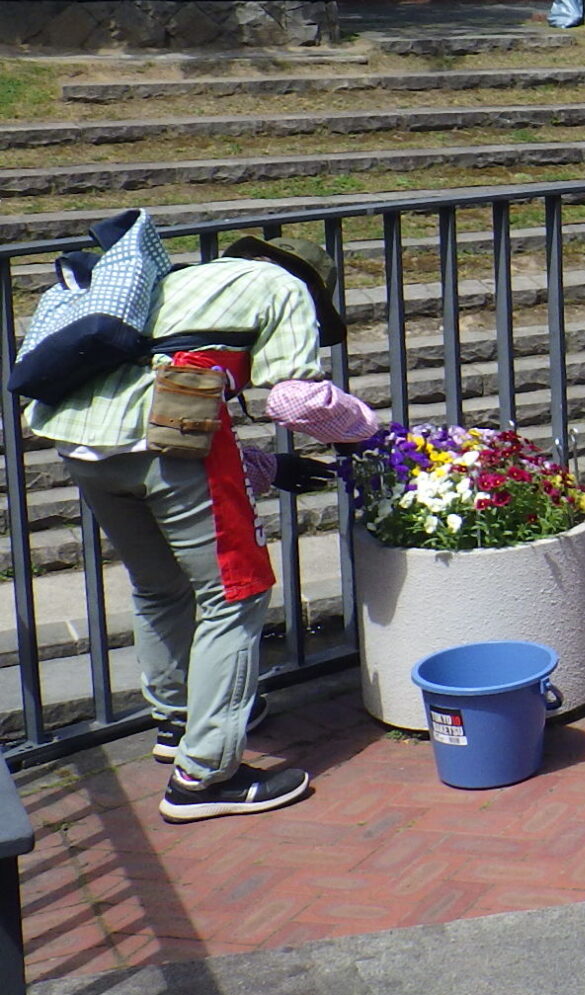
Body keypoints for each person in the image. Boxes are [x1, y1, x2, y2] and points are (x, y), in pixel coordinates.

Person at [29, 238, 371, 823]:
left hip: (83, 445)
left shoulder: (184, 277)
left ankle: (180, 719)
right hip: (169, 439)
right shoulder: (284, 287)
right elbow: (295, 401)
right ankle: (205, 775)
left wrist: (268, 467)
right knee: (235, 595)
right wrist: (367, 433)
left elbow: (155, 370)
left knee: (158, 585)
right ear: (312, 288)